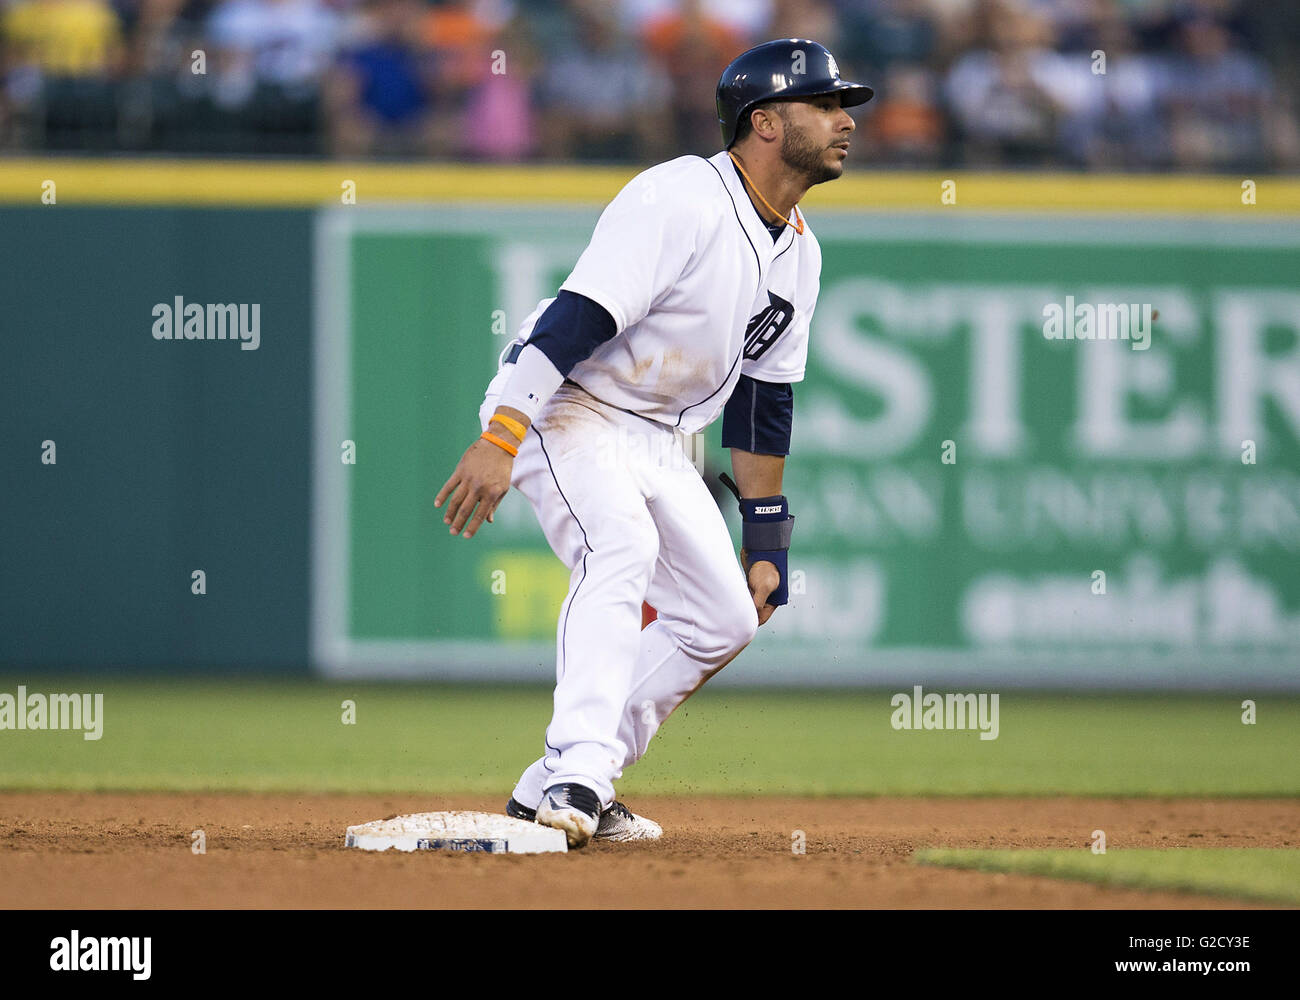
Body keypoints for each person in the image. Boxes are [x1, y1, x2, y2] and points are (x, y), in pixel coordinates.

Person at [435, 39, 871, 848]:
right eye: (826, 105)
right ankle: (578, 770)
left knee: (722, 619)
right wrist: (503, 434)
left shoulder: (801, 251)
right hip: (568, 403)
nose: (846, 121)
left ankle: (556, 787)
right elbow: (577, 321)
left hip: (660, 436)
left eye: (845, 106)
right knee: (620, 547)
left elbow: (764, 404)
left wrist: (767, 536)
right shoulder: (679, 197)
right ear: (765, 123)